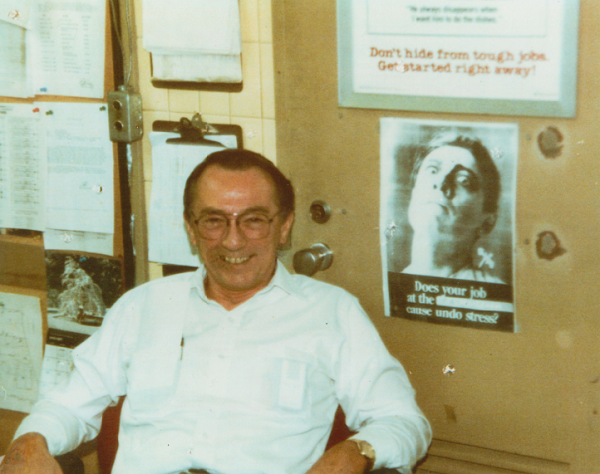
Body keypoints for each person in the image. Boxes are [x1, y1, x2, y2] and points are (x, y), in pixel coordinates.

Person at [1, 149, 431, 474]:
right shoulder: (144, 306)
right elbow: (69, 405)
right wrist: (33, 441)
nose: (233, 241)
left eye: (254, 220)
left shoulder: (331, 312)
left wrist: (356, 451)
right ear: (190, 228)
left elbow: (403, 421)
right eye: (214, 221)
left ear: (284, 227)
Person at [402, 132, 505, 283]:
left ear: (487, 222)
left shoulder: (496, 298)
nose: (442, 183)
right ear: (414, 194)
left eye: (464, 180)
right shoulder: (383, 284)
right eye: (433, 170)